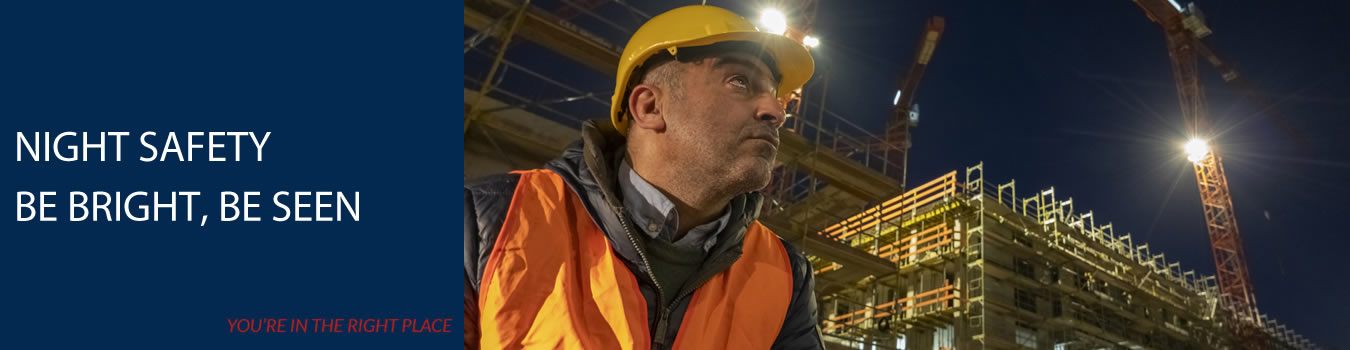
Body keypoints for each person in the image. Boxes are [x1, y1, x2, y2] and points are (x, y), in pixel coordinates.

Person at [464, 5, 822, 349]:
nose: (775, 111)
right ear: (650, 107)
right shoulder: (485, 221)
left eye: (779, 100)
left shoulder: (786, 276)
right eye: (739, 81)